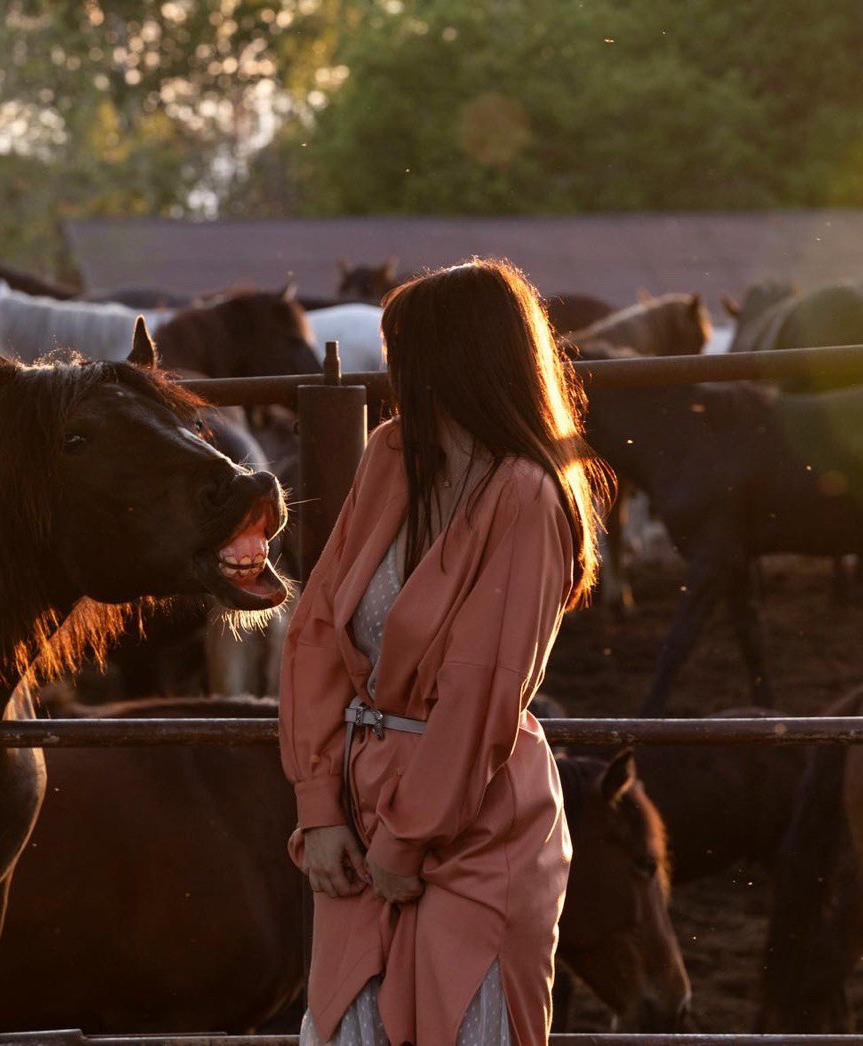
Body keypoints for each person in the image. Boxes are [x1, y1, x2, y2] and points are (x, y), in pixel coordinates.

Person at [278, 258, 611, 1046]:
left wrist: (409, 838)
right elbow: (318, 630)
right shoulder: (393, 453)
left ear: (458, 358)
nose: (393, 369)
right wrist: (320, 808)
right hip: (361, 826)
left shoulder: (529, 496)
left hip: (475, 830)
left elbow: (481, 690)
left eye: (406, 349)